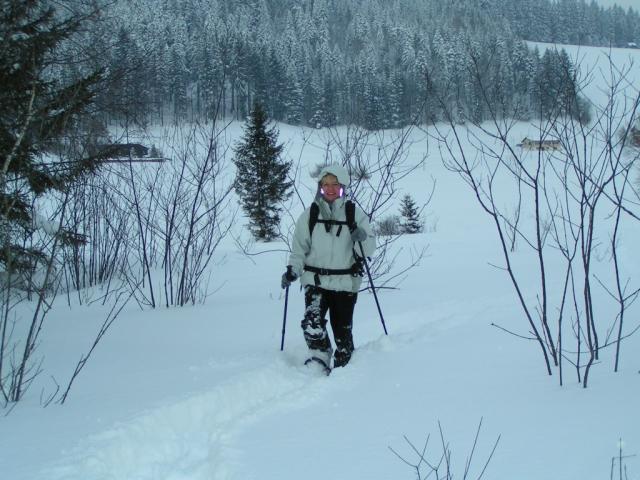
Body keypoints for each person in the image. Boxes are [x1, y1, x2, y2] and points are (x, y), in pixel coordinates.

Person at [281, 164, 375, 372]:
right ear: (320, 187)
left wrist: (361, 238)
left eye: (335, 184)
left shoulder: (354, 214)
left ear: (343, 186)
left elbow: (367, 250)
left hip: (345, 283)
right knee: (312, 324)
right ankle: (320, 356)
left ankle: (345, 366)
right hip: (315, 281)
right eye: (325, 184)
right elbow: (299, 250)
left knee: (342, 332)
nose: (330, 189)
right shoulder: (310, 215)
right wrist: (293, 270)